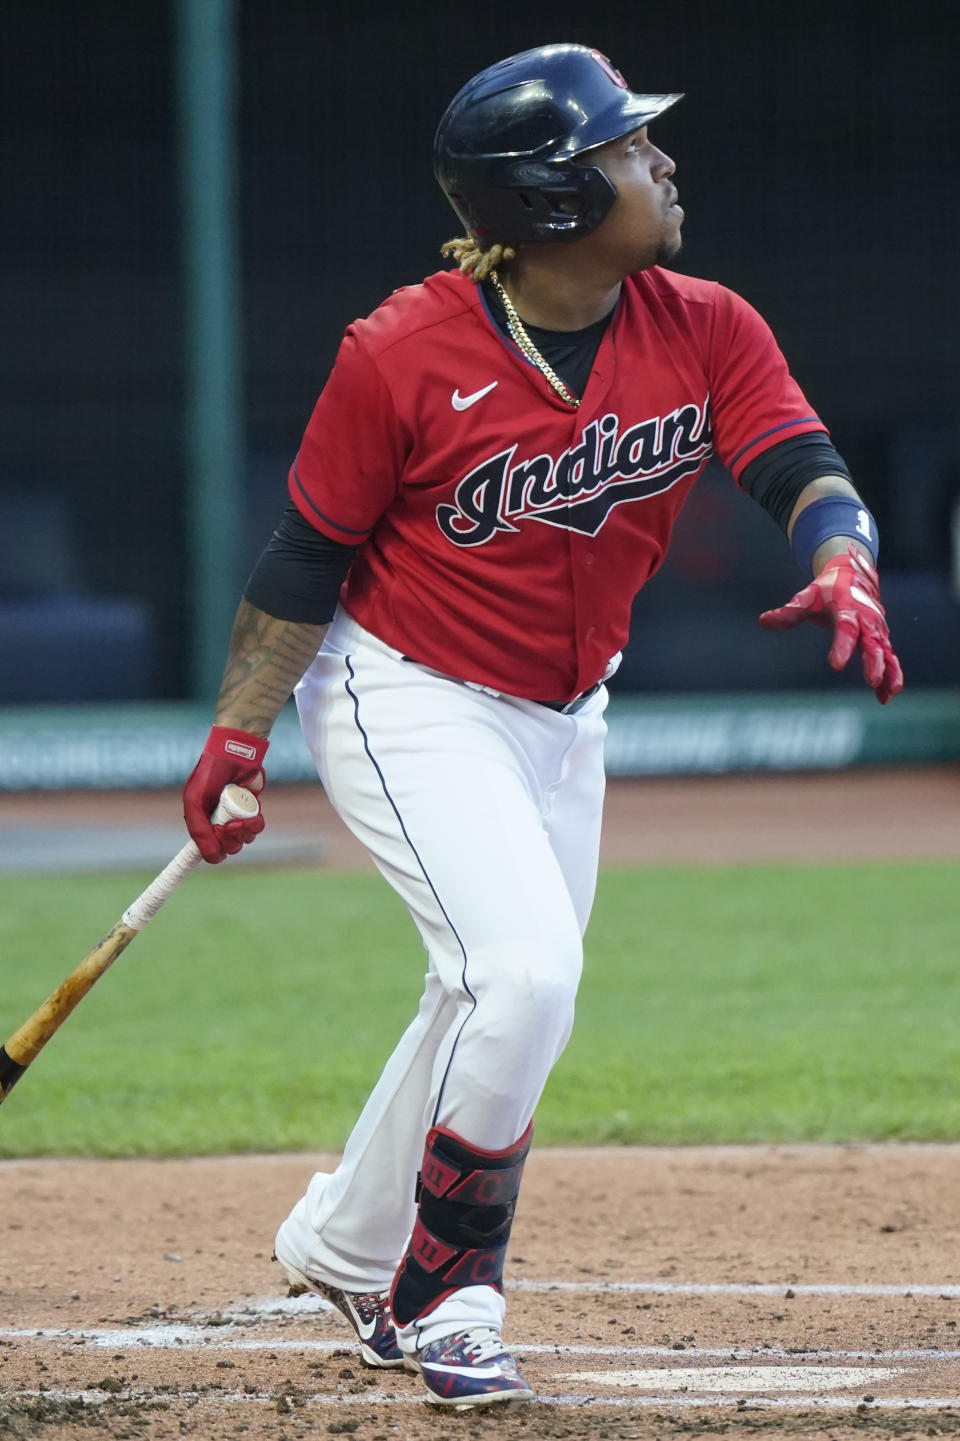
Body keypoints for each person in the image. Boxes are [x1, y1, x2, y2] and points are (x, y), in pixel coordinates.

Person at [181, 43, 903, 1411]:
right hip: (412, 693)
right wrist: (238, 735)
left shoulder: (703, 323)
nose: (663, 163)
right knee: (525, 974)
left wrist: (843, 551)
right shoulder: (398, 353)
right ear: (556, 200)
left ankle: (341, 1240)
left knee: (491, 991)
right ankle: (445, 1289)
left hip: (570, 713)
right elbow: (303, 559)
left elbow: (802, 465)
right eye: (631, 149)